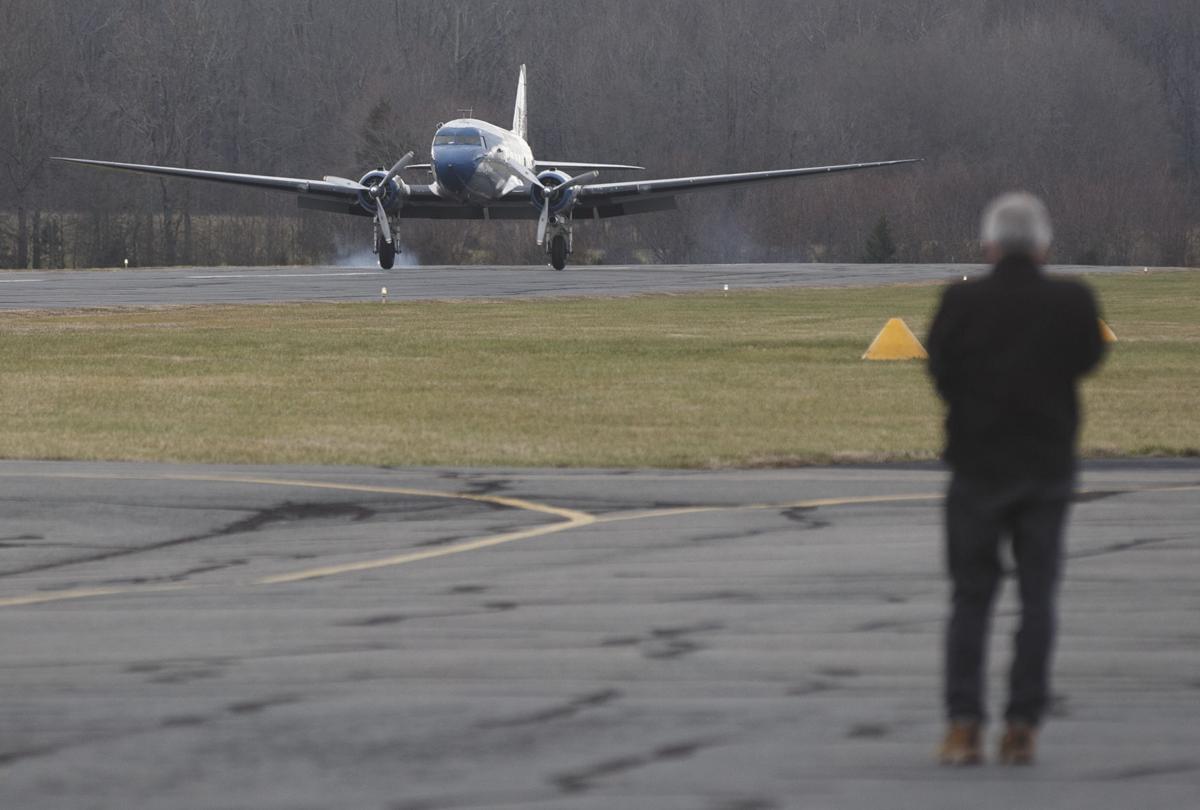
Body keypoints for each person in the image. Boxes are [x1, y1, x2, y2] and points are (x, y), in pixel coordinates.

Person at [926, 193, 1106, 766]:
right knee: (1037, 601)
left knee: (970, 598)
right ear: (1044, 246)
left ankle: (963, 726)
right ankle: (1022, 726)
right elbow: (1088, 359)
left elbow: (940, 370)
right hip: (1046, 469)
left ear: (989, 245)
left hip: (977, 468)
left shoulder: (960, 301)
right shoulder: (1073, 300)